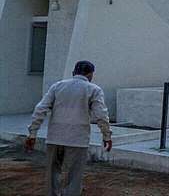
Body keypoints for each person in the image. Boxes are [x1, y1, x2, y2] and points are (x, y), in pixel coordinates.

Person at [23, 60, 113, 196]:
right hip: (77, 140)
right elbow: (101, 115)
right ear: (90, 74)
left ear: (73, 73)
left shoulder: (57, 86)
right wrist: (106, 136)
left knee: (52, 175)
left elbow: (40, 109)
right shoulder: (93, 89)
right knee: (74, 177)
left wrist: (32, 133)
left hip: (54, 138)